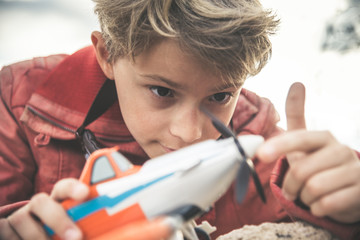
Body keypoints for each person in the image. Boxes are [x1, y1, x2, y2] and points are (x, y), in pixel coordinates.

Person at [0, 0, 359, 239]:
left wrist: (342, 196)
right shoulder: (17, 100)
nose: (189, 133)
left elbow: (313, 193)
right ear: (107, 54)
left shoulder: (255, 136)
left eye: (220, 96)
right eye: (162, 91)